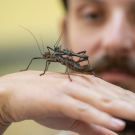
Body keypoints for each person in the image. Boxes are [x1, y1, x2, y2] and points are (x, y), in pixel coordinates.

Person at [0, 0, 135, 135]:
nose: (115, 42)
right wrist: (3, 107)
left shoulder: (68, 56)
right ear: (65, 34)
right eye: (92, 15)